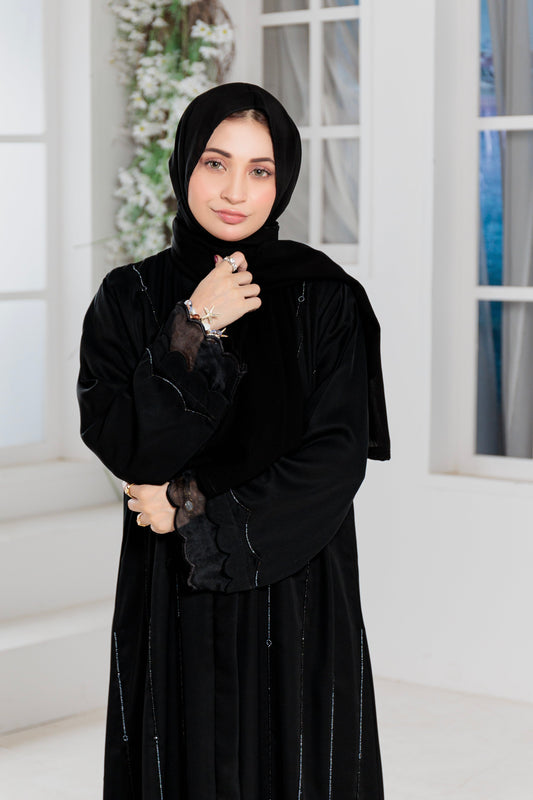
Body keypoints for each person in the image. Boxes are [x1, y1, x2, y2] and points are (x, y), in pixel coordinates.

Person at [77, 82, 390, 800]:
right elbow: (127, 446)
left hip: (299, 582)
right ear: (184, 164)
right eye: (215, 163)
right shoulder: (129, 297)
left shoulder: (326, 297)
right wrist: (194, 327)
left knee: (302, 761)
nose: (235, 191)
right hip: (172, 595)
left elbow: (336, 457)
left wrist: (191, 510)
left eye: (260, 170)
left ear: (283, 182)